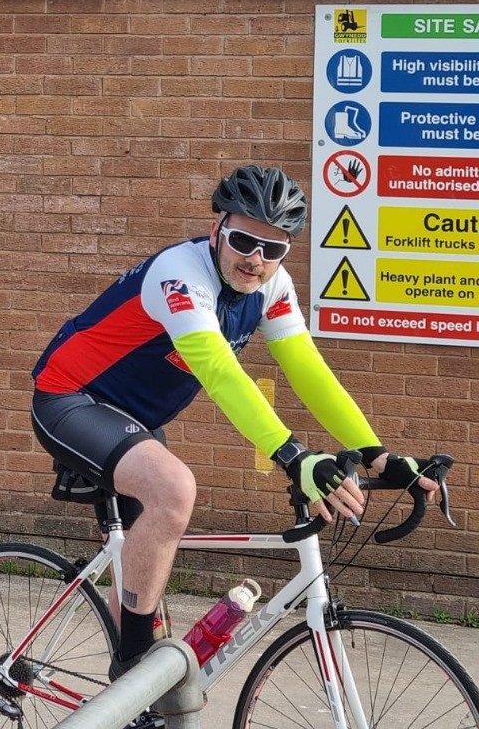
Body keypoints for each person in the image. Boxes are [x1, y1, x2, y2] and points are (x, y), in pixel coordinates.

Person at [31, 164, 437, 678]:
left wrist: (378, 452)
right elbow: (221, 373)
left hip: (134, 421)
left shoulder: (273, 285)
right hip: (71, 399)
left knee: (145, 579)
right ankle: (132, 672)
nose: (256, 260)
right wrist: (293, 456)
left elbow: (309, 372)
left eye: (273, 249)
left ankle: (137, 684)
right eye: (244, 240)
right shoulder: (180, 274)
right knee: (175, 489)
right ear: (216, 229)